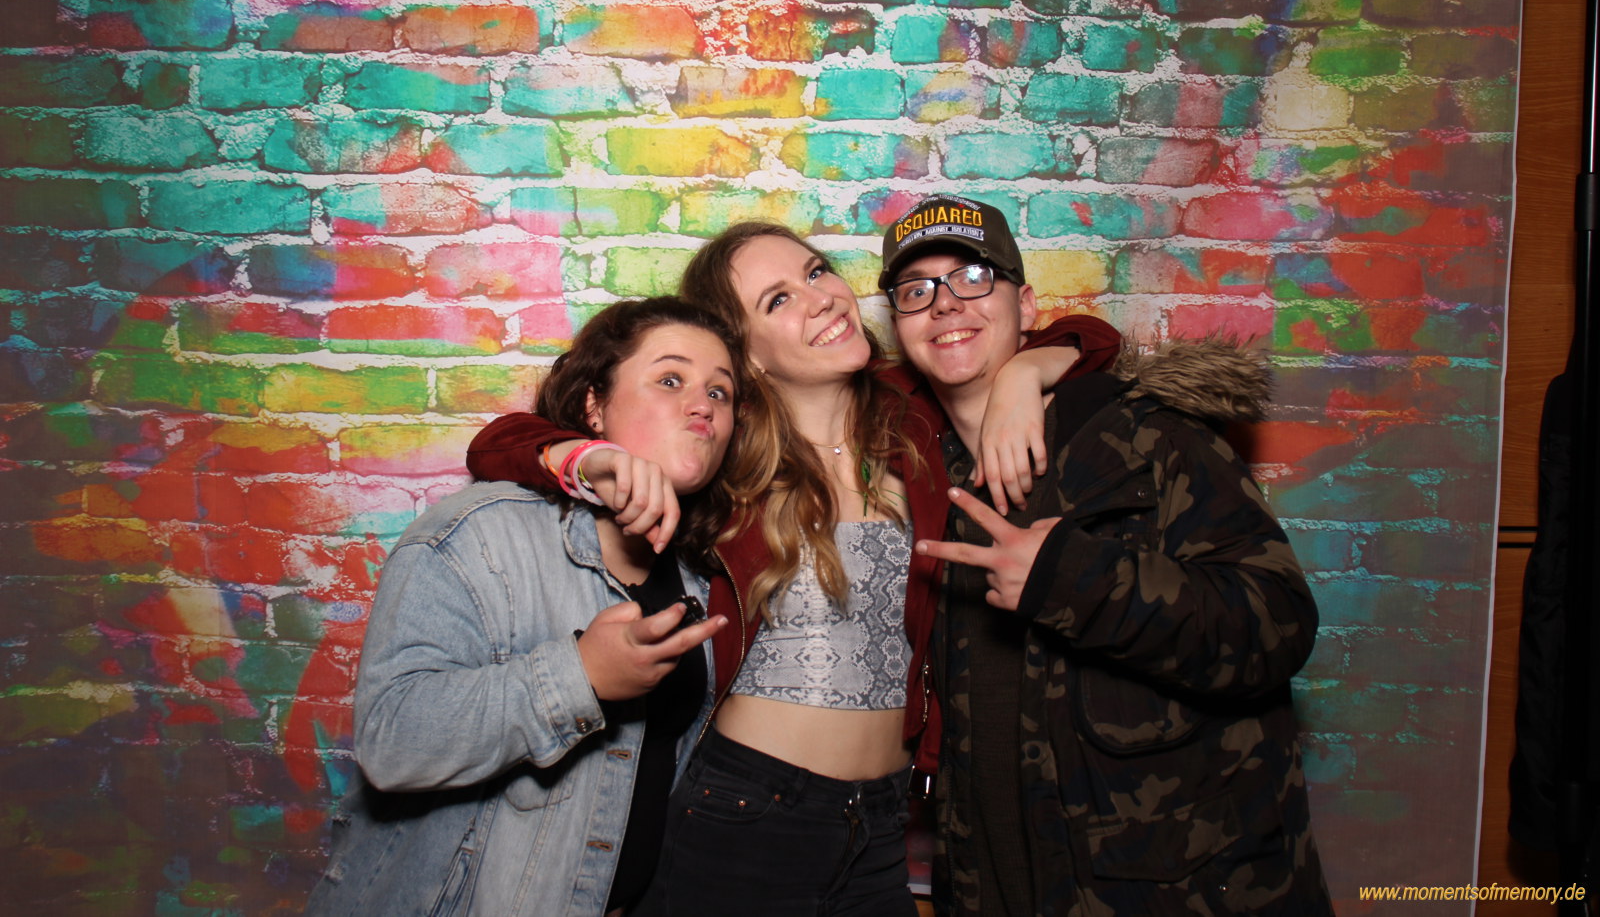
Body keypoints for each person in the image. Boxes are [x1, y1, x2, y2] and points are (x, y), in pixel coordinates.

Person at [465, 221, 1121, 916]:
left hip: (882, 823)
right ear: (746, 355)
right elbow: (497, 444)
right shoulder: (725, 452)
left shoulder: (915, 415)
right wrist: (589, 458)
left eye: (815, 273)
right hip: (744, 812)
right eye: (777, 300)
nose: (822, 298)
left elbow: (1096, 339)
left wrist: (1022, 373)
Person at [878, 195, 1333, 915]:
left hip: (1178, 893)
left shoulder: (1143, 433)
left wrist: (1069, 577)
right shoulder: (921, 471)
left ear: (1027, 306)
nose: (944, 303)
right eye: (916, 290)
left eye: (973, 276)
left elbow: (1276, 624)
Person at [304, 298, 740, 917]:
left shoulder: (704, 579)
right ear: (594, 405)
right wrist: (580, 675)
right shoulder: (478, 535)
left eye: (720, 393)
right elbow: (392, 740)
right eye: (671, 380)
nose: (703, 405)